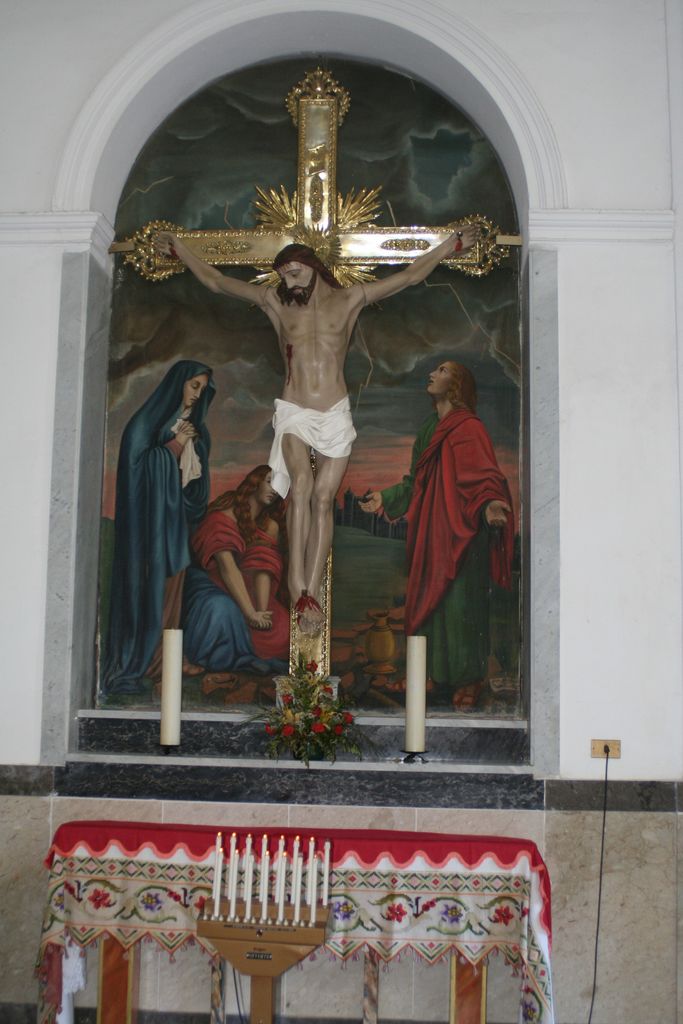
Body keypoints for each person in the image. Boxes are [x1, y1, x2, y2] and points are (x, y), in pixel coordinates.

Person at [155, 226, 478, 633]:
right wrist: (180, 250)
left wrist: (451, 246)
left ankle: (312, 589)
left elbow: (410, 276)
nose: (288, 282)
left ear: (313, 267)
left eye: (294, 273)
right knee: (302, 486)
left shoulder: (350, 300)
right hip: (295, 410)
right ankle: (297, 588)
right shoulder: (276, 303)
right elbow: (217, 282)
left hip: (334, 413)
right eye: (283, 275)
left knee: (324, 499)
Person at [360, 362, 513, 709]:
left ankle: (468, 679)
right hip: (430, 532)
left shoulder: (470, 427)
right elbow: (415, 482)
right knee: (427, 601)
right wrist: (384, 497)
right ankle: (426, 673)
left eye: (442, 371)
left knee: (460, 605)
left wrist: (491, 504)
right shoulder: (430, 428)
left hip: (463, 533)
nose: (432, 374)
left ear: (456, 384)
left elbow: (485, 477)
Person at [102, 360, 215, 694]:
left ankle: (169, 658)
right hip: (145, 532)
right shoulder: (144, 424)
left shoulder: (194, 427)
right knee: (152, 590)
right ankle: (144, 660)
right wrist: (176, 446)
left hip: (173, 524)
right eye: (194, 385)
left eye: (203, 388)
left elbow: (194, 490)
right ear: (178, 383)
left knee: (173, 592)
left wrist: (194, 447)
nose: (198, 394)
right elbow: (138, 470)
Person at [182, 465, 289, 680]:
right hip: (210, 585)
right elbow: (227, 569)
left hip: (245, 588)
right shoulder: (221, 518)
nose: (274, 490)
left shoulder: (269, 526)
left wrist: (261, 611)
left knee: (282, 629)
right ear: (254, 483)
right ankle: (221, 661)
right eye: (269, 481)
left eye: (279, 485)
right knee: (223, 610)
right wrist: (250, 614)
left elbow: (263, 568)